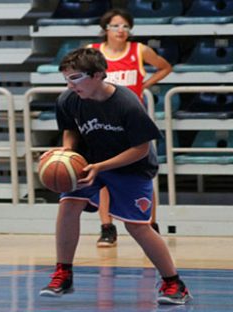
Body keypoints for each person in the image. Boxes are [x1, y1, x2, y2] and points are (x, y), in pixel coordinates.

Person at [38, 47, 191, 305]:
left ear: (98, 75)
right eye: (66, 78)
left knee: (137, 227)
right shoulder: (67, 100)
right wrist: (65, 153)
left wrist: (102, 166)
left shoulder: (127, 103)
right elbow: (70, 131)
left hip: (130, 167)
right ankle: (63, 273)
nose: (70, 84)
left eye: (76, 77)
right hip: (89, 163)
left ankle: (174, 283)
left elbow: (141, 149)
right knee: (68, 207)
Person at [89, 8, 172, 247]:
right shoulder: (93, 52)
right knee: (102, 174)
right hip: (102, 122)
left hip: (134, 121)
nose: (121, 30)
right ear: (105, 29)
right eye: (116, 26)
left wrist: (145, 83)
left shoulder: (139, 50)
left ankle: (151, 225)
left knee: (145, 173)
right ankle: (107, 228)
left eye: (126, 26)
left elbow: (165, 67)